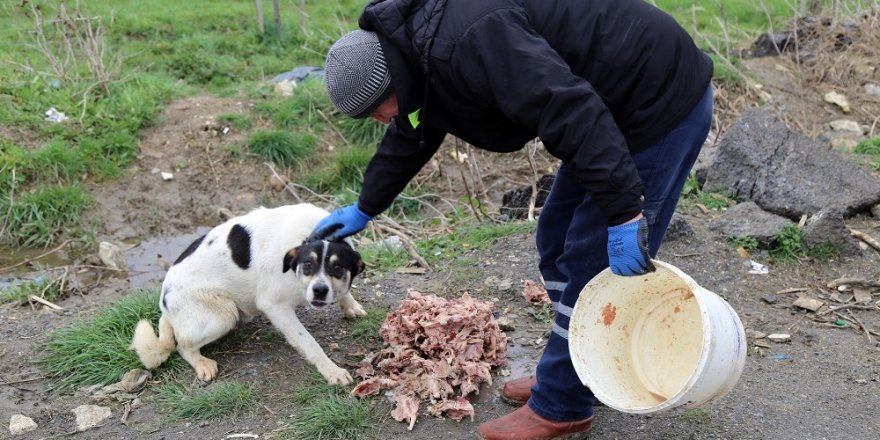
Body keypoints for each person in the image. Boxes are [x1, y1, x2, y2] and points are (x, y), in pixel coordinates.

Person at [312, 0, 714, 438]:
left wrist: (623, 212)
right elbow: (413, 132)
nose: (377, 120)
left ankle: (563, 405)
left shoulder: (470, 40)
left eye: (375, 109)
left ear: (393, 79)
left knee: (592, 258)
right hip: (603, 107)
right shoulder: (417, 57)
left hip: (656, 97)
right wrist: (367, 205)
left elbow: (567, 109)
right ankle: (583, 365)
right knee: (557, 239)